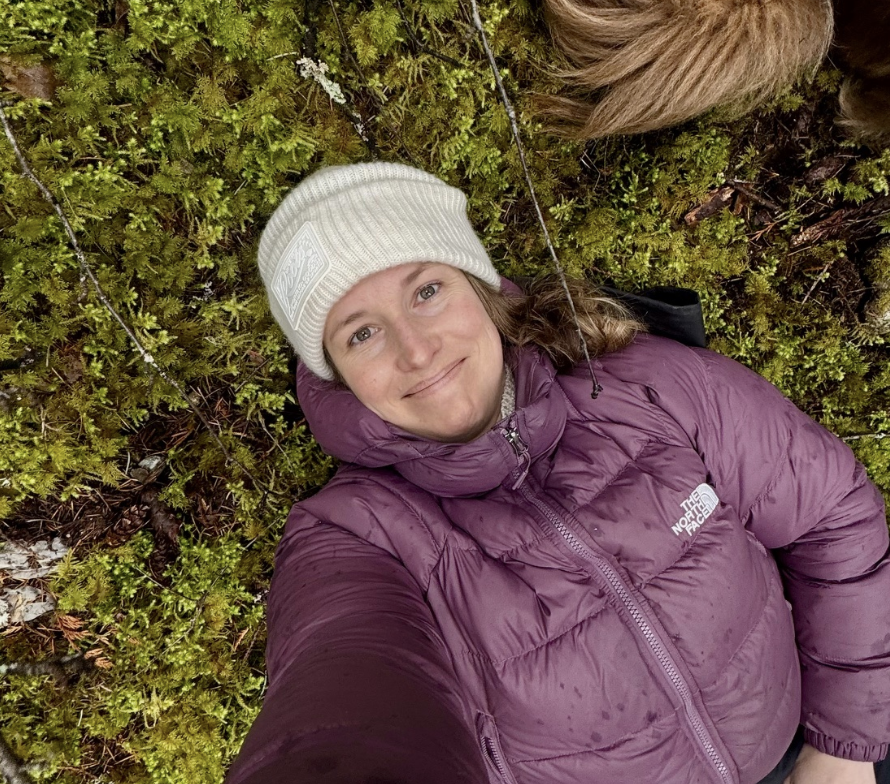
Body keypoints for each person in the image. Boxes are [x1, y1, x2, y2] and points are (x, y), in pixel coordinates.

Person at [226, 162, 890, 784]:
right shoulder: (358, 535)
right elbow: (347, 690)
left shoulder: (648, 385)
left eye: (426, 291)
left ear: (480, 289)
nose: (416, 348)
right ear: (335, 376)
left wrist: (843, 745)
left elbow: (833, 517)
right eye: (359, 333)